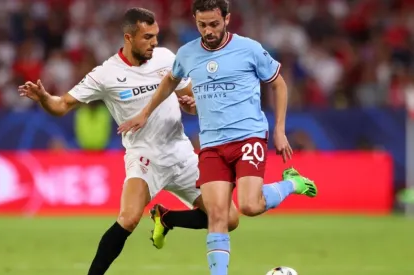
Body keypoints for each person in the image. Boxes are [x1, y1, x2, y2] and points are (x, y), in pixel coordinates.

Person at [17, 7, 239, 275]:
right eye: (147, 37)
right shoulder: (106, 74)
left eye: (156, 35)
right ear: (128, 37)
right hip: (144, 157)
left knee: (229, 218)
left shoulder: (166, 57)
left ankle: (166, 218)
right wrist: (43, 98)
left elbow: (192, 99)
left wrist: (193, 105)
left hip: (181, 153)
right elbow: (62, 105)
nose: (154, 42)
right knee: (129, 218)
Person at [117, 1, 318, 275]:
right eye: (202, 25)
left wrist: (280, 130)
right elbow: (170, 81)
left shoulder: (248, 49)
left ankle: (292, 183)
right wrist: (146, 113)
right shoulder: (188, 53)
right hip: (211, 145)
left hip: (248, 137)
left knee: (249, 205)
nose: (208, 31)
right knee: (218, 216)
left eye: (214, 24)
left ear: (227, 19)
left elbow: (279, 83)